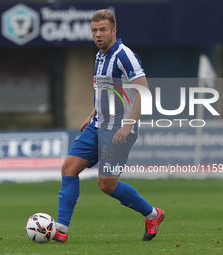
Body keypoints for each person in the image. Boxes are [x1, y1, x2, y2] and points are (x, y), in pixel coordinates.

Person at [53, 9, 165, 243]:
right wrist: (91, 114)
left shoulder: (125, 56)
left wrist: (127, 126)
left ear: (114, 31)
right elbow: (107, 92)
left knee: (106, 184)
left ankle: (153, 214)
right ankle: (61, 230)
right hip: (97, 125)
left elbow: (143, 93)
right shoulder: (99, 56)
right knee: (69, 168)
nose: (98, 34)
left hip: (118, 130)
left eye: (103, 30)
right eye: (94, 30)